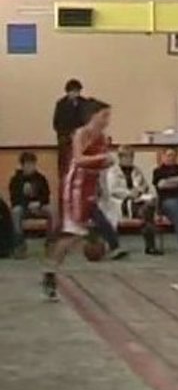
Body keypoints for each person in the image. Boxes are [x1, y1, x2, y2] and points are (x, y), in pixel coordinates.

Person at [42, 99, 127, 301]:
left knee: (76, 233)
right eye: (104, 115)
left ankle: (51, 268)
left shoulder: (103, 138)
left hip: (90, 185)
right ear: (93, 115)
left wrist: (105, 165)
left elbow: (99, 165)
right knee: (73, 233)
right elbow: (79, 159)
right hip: (75, 186)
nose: (107, 120)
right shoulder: (81, 133)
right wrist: (103, 159)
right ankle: (49, 272)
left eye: (108, 116)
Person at [101, 145, 162, 255]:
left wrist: (139, 190)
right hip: (120, 202)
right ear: (121, 158)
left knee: (148, 207)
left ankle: (150, 243)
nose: (130, 159)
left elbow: (145, 186)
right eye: (127, 157)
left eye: (131, 157)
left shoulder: (136, 170)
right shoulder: (113, 172)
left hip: (137, 199)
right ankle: (150, 246)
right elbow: (113, 190)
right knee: (147, 211)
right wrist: (130, 194)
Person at [9, 151, 56, 255]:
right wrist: (27, 205)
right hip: (23, 208)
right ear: (22, 165)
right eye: (28, 164)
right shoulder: (15, 180)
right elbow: (14, 199)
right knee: (15, 212)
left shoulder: (41, 178)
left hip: (39, 207)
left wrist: (38, 203)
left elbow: (46, 196)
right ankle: (19, 244)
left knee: (52, 210)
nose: (31, 167)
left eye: (33, 164)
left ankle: (51, 242)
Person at [52, 78, 86, 184]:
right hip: (65, 140)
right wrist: (68, 134)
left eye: (77, 91)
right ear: (68, 92)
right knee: (65, 168)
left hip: (80, 141)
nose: (75, 94)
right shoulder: (61, 104)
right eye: (73, 91)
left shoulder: (84, 103)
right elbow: (56, 123)